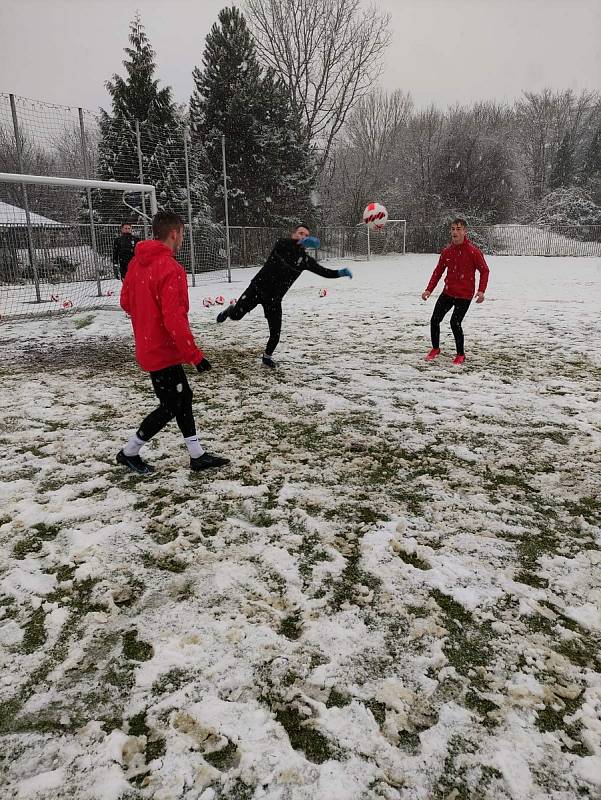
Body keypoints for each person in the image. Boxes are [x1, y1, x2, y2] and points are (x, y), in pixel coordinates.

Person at [117, 210, 229, 475]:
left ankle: (197, 455)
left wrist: (145, 316)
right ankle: (129, 451)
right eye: (182, 234)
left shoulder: (136, 264)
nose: (182, 240)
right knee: (170, 406)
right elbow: (175, 320)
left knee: (182, 397)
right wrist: (195, 356)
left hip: (148, 346)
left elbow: (125, 302)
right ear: (175, 233)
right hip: (163, 350)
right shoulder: (171, 269)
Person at [216, 224, 353, 368]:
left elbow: (324, 272)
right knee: (236, 316)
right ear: (294, 234)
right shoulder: (282, 245)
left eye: (306, 235)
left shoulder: (305, 260)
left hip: (274, 300)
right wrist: (300, 243)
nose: (303, 237)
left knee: (275, 335)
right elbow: (287, 244)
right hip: (256, 289)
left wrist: (339, 273)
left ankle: (266, 357)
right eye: (300, 233)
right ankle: (229, 310)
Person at [421, 218, 489, 365]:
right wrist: (428, 289)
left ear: (465, 232)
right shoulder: (447, 251)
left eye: (458, 229)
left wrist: (481, 290)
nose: (455, 232)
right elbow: (438, 272)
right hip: (448, 292)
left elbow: (484, 270)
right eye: (452, 229)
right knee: (435, 319)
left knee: (454, 322)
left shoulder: (473, 251)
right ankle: (435, 348)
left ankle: (460, 354)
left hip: (464, 295)